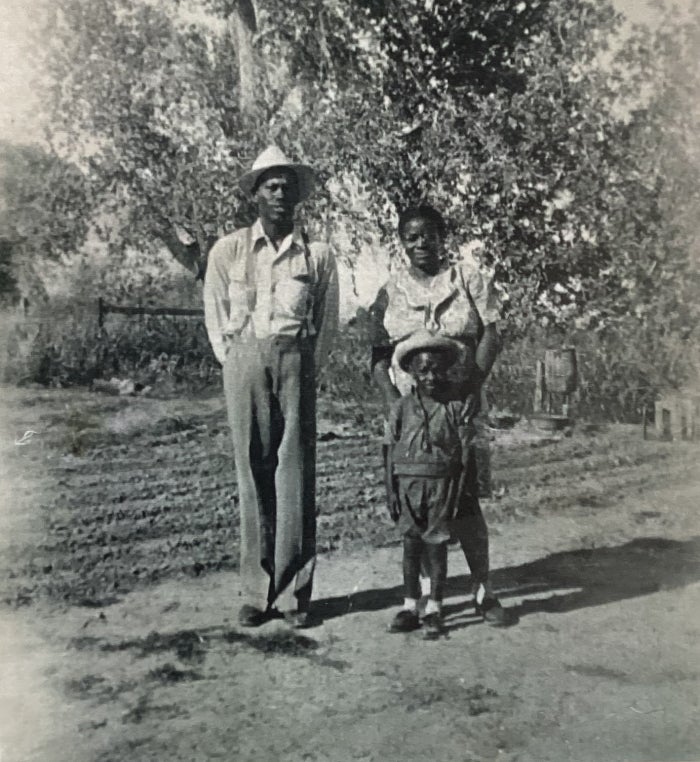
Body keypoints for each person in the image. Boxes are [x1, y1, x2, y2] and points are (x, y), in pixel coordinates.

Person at [204, 145, 339, 629]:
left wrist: (306, 369)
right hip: (244, 361)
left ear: (299, 196)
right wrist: (237, 361)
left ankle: (295, 595)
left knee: (295, 475)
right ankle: (255, 592)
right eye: (271, 186)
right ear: (256, 194)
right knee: (252, 473)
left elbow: (326, 325)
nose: (281, 194)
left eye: (288, 186)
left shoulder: (317, 255)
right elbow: (215, 314)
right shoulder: (230, 250)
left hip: (295, 362)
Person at [369, 203, 508, 626]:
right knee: (420, 499)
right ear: (402, 242)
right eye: (411, 237)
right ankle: (427, 600)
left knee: (465, 496)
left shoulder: (469, 279)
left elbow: (491, 334)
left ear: (442, 236)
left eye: (428, 234)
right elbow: (376, 355)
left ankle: (483, 590)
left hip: (462, 402)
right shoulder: (390, 290)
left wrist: (473, 385)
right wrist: (393, 400)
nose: (420, 243)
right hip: (412, 411)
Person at [385, 330, 479, 639]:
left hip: (442, 490)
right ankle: (411, 604)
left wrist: (458, 495)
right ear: (411, 372)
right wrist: (391, 491)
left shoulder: (455, 407)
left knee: (436, 550)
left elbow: (465, 454)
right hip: (408, 490)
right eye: (423, 370)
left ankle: (435, 607)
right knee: (411, 548)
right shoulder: (400, 409)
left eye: (437, 369)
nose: (431, 377)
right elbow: (389, 449)